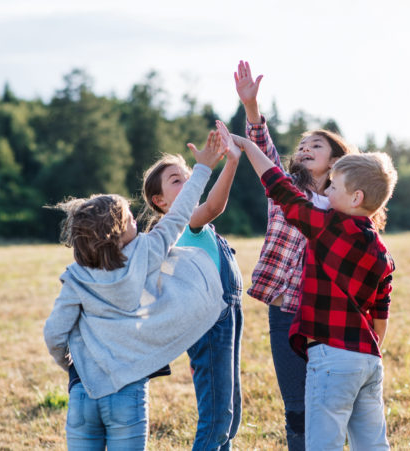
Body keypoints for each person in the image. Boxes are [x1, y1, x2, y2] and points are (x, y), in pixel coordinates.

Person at [217, 119, 397, 450]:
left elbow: (280, 189)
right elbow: (381, 307)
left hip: (328, 354)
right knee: (373, 443)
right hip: (368, 358)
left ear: (355, 197)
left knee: (322, 440)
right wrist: (373, 347)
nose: (327, 194)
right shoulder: (382, 251)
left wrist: (250, 148)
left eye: (334, 188)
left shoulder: (326, 227)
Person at [43, 141, 227, 450]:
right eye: (130, 218)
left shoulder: (75, 276)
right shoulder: (146, 251)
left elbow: (54, 334)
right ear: (115, 231)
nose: (136, 221)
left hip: (81, 392)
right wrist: (203, 169)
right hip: (127, 392)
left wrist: (70, 366)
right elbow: (179, 215)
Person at [234, 60, 358, 450]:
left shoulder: (350, 209)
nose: (304, 149)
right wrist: (252, 108)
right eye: (302, 145)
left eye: (315, 145)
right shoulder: (284, 193)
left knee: (335, 407)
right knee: (298, 409)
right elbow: (263, 149)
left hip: (332, 314)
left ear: (336, 161)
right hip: (286, 311)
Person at [140, 130, 243, 451]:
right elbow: (213, 205)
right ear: (161, 202)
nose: (188, 181)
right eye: (177, 180)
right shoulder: (182, 222)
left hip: (227, 315)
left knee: (230, 411)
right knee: (217, 416)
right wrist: (230, 163)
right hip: (208, 319)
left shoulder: (195, 225)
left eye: (189, 175)